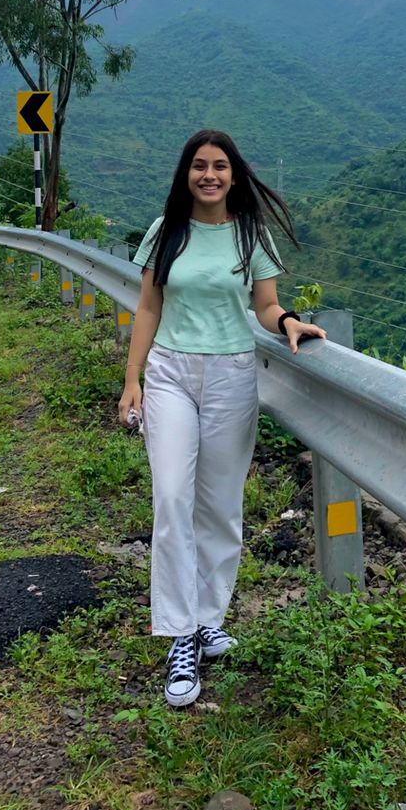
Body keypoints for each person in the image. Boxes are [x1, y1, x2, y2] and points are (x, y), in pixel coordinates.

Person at [118, 129, 326, 707]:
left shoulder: (250, 235)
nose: (209, 175)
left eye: (220, 167)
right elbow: (149, 307)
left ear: (233, 174)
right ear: (186, 173)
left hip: (232, 374)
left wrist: (288, 322)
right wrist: (132, 378)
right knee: (171, 498)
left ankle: (207, 617)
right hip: (170, 374)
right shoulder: (168, 233)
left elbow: (264, 304)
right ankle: (181, 636)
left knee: (220, 504)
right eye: (199, 166)